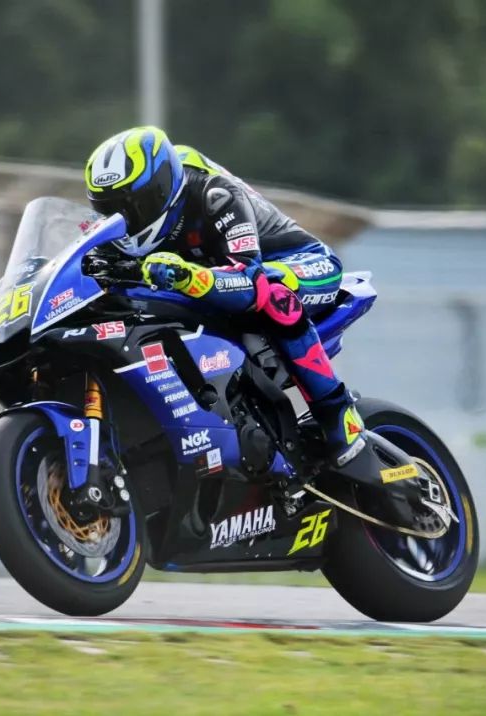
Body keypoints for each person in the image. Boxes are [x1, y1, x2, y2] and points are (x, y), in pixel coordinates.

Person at [84, 126, 408, 494]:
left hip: (298, 264)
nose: (125, 218)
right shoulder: (118, 230)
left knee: (274, 294)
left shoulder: (214, 195)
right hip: (213, 282)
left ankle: (338, 418)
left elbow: (248, 283)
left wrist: (184, 276)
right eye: (110, 209)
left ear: (160, 189)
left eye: (133, 205)